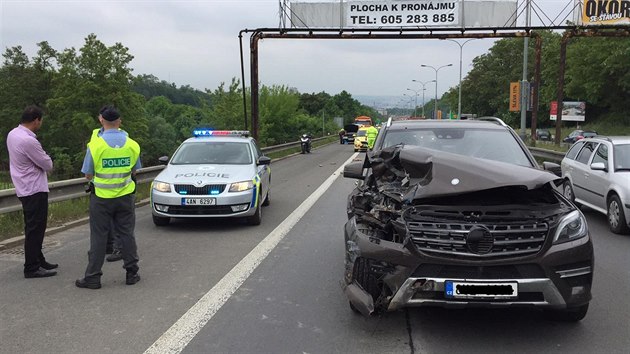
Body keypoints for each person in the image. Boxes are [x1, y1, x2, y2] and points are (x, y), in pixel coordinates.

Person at [76, 105, 141, 289]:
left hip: (101, 199)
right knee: (127, 234)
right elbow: (135, 170)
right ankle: (132, 273)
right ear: (119, 122)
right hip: (125, 197)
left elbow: (88, 174)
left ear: (101, 120)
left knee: (99, 237)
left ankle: (93, 277)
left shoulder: (95, 145)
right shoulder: (132, 144)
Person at [6, 105, 57, 278]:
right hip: (34, 188)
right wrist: (47, 157)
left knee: (32, 227)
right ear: (36, 120)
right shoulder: (29, 140)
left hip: (23, 186)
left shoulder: (13, 134)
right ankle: (32, 267)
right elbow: (47, 164)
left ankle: (38, 259)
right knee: (36, 228)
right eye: (40, 121)